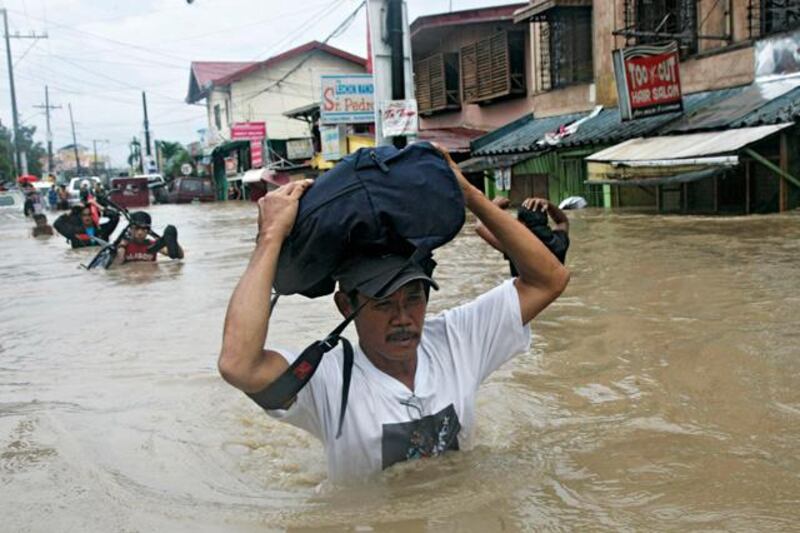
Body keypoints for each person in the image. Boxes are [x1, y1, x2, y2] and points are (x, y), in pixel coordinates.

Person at [217, 147, 570, 484]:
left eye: (414, 298)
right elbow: (238, 364)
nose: (403, 317)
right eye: (383, 303)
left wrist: (469, 195)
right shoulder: (328, 381)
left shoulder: (456, 340)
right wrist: (270, 237)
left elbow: (548, 280)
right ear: (346, 306)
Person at [477, 196, 570, 276]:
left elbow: (480, 226)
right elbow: (562, 221)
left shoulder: (515, 246)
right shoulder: (559, 242)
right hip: (551, 294)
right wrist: (549, 205)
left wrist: (492, 204)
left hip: (523, 295)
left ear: (522, 223)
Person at [112, 211, 184, 266]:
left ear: (148, 231)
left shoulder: (153, 245)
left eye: (144, 229)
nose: (140, 232)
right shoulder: (123, 245)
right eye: (136, 228)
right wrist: (122, 247)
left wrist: (172, 240)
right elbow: (116, 266)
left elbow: (179, 256)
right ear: (130, 229)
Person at [53, 200, 120, 248]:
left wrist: (98, 206)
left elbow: (115, 217)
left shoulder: (102, 230)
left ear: (94, 216)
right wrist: (72, 211)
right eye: (84, 215)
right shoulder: (73, 232)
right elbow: (57, 224)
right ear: (80, 217)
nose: (87, 217)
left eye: (90, 215)